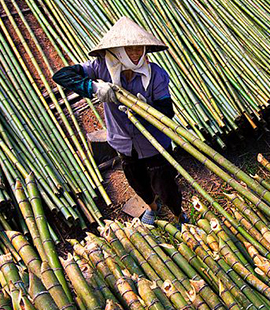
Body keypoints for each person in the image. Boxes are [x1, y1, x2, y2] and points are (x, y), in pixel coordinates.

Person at [52, 16, 185, 225]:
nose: (135, 54)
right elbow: (62, 75)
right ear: (118, 50)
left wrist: (146, 110)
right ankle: (152, 206)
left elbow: (167, 111)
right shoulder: (101, 67)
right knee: (137, 181)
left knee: (165, 185)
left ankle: (178, 215)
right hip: (123, 141)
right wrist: (93, 88)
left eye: (139, 49)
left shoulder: (156, 74)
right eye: (129, 49)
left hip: (154, 143)